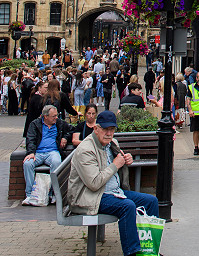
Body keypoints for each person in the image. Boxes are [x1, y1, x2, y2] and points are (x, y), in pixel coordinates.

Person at [68, 110, 159, 256]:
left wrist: (126, 160)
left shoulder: (112, 143)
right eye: (105, 129)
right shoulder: (86, 149)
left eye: (112, 129)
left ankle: (150, 250)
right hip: (91, 196)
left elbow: (118, 163)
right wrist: (116, 165)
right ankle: (132, 252)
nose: (109, 133)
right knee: (127, 207)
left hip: (114, 192)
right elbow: (94, 183)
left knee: (151, 201)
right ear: (96, 129)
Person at [21, 105, 72, 206]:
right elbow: (30, 139)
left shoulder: (59, 123)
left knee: (56, 162)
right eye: (53, 116)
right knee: (27, 163)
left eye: (56, 115)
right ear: (45, 116)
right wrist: (31, 152)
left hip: (52, 152)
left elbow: (71, 129)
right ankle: (30, 195)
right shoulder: (35, 124)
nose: (56, 118)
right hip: (38, 153)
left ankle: (53, 194)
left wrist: (65, 138)